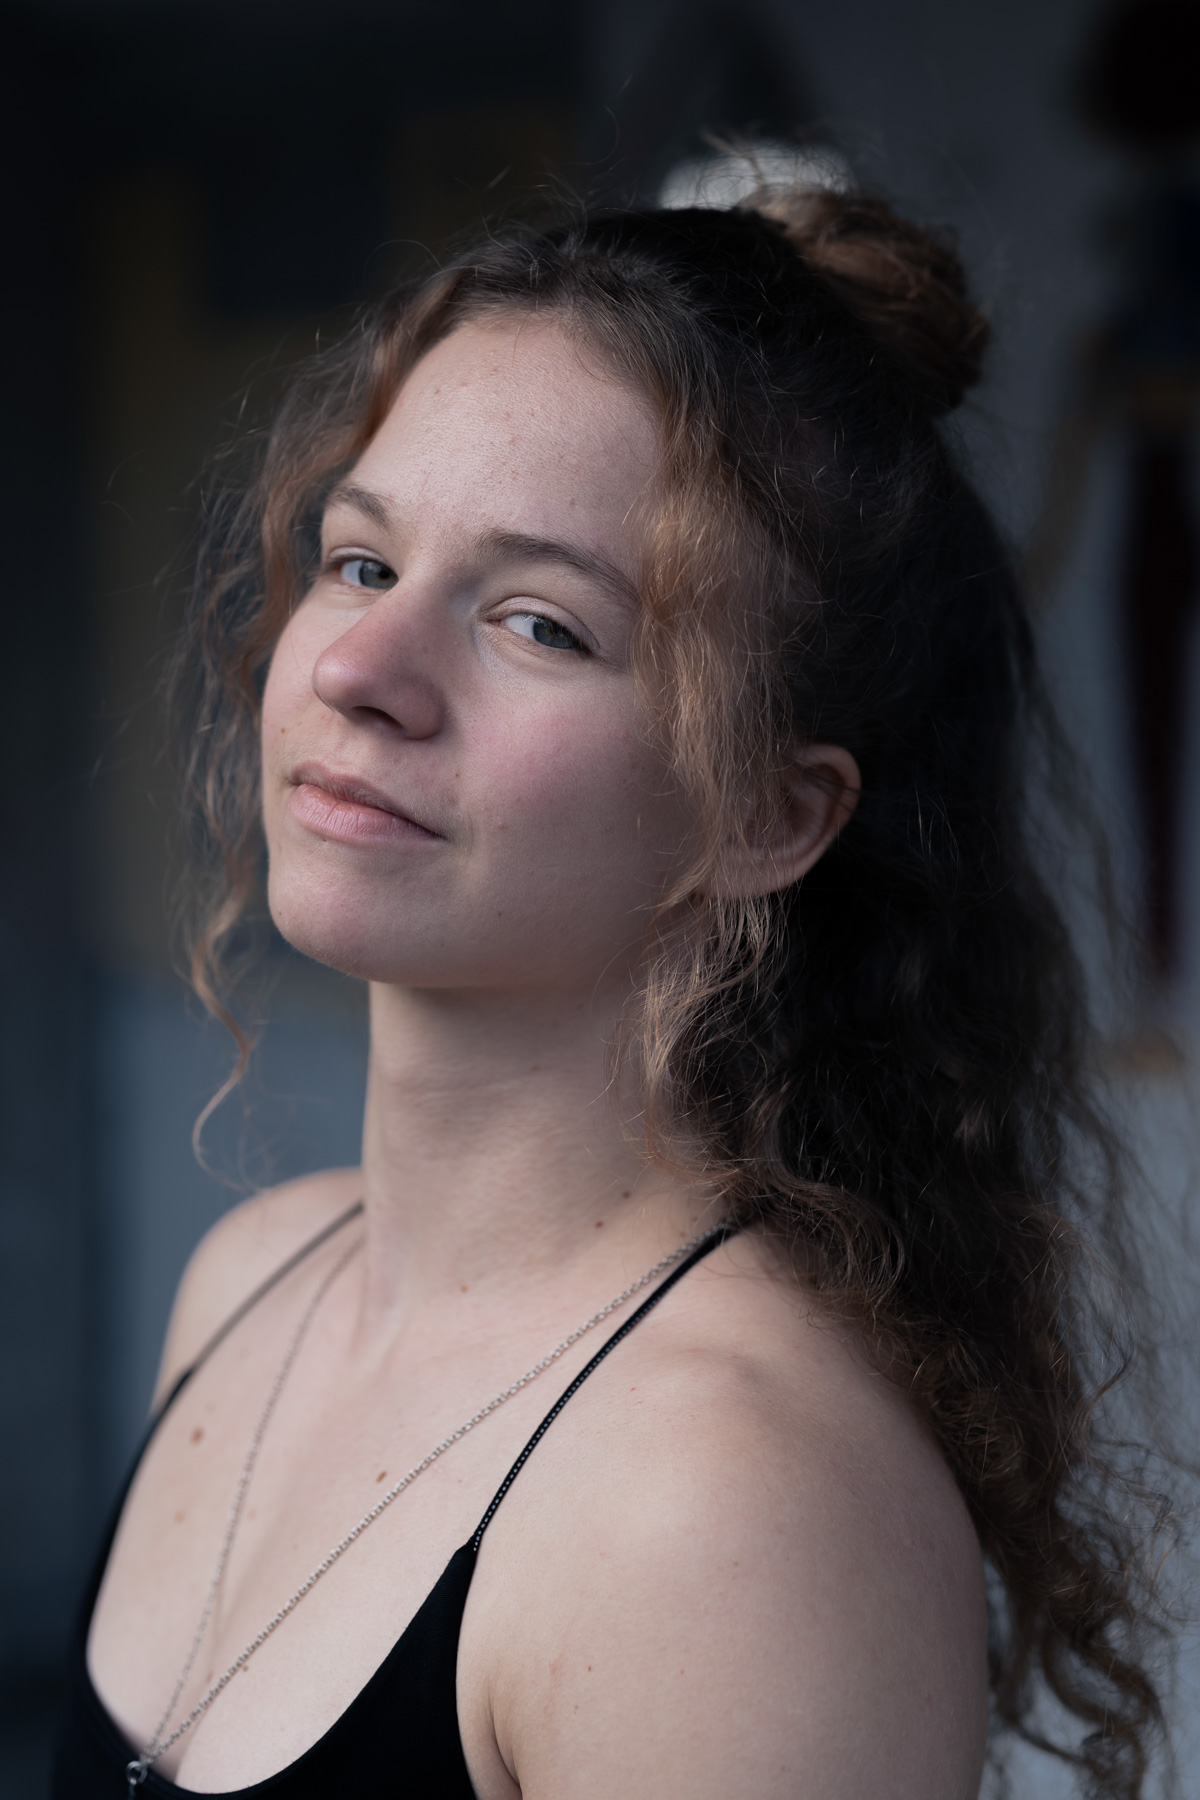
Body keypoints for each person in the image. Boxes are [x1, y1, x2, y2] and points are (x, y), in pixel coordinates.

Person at [53, 173, 1176, 1799]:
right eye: (359, 561)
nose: (360, 670)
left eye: (540, 625)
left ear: (766, 814)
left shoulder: (721, 1499)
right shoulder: (250, 1284)